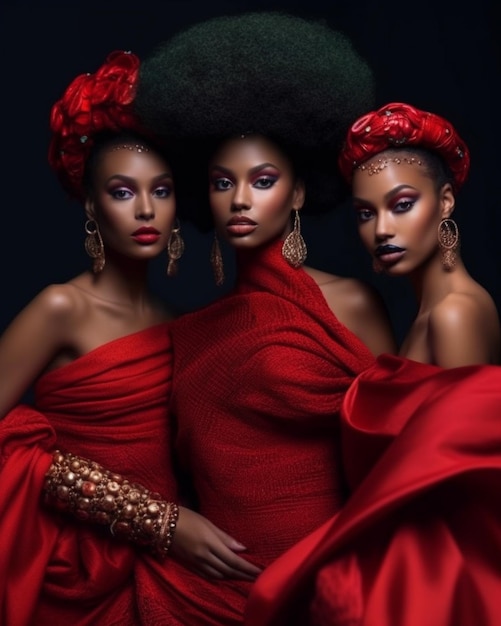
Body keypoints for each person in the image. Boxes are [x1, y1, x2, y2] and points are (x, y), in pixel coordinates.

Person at [128, 11, 397, 625]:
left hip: (326, 590)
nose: (240, 199)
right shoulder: (190, 332)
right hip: (207, 595)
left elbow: (393, 461)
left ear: (298, 194)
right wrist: (168, 526)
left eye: (263, 180)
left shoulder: (350, 305)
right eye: (223, 183)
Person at [0, 50, 258, 626]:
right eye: (122, 192)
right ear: (91, 205)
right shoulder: (60, 307)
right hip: (81, 569)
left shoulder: (180, 320)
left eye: (161, 191)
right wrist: (156, 521)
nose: (145, 210)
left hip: (171, 563)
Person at [244, 103, 501, 626]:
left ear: (445, 201)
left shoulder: (455, 315)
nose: (382, 228)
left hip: (433, 583)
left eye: (402, 204)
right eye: (365, 213)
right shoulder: (430, 314)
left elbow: (466, 490)